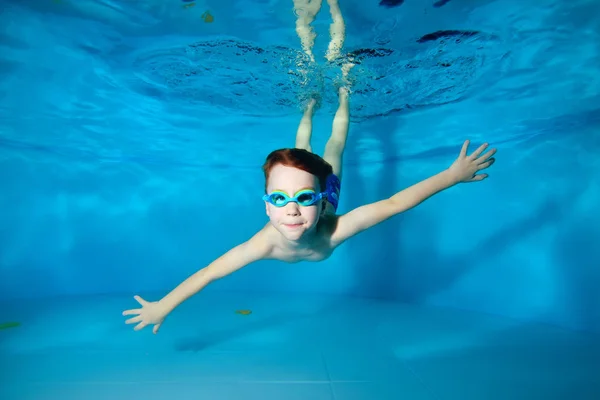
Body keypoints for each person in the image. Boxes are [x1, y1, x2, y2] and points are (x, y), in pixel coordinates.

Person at [122, 82, 496, 333]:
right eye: (279, 199)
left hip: (328, 188)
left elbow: (395, 203)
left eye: (303, 199)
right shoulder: (262, 243)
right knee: (301, 145)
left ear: (318, 202)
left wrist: (451, 176)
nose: (292, 210)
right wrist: (164, 306)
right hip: (318, 192)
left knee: (333, 147)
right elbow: (208, 273)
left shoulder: (335, 224)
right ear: (267, 206)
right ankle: (309, 105)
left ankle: (345, 96)